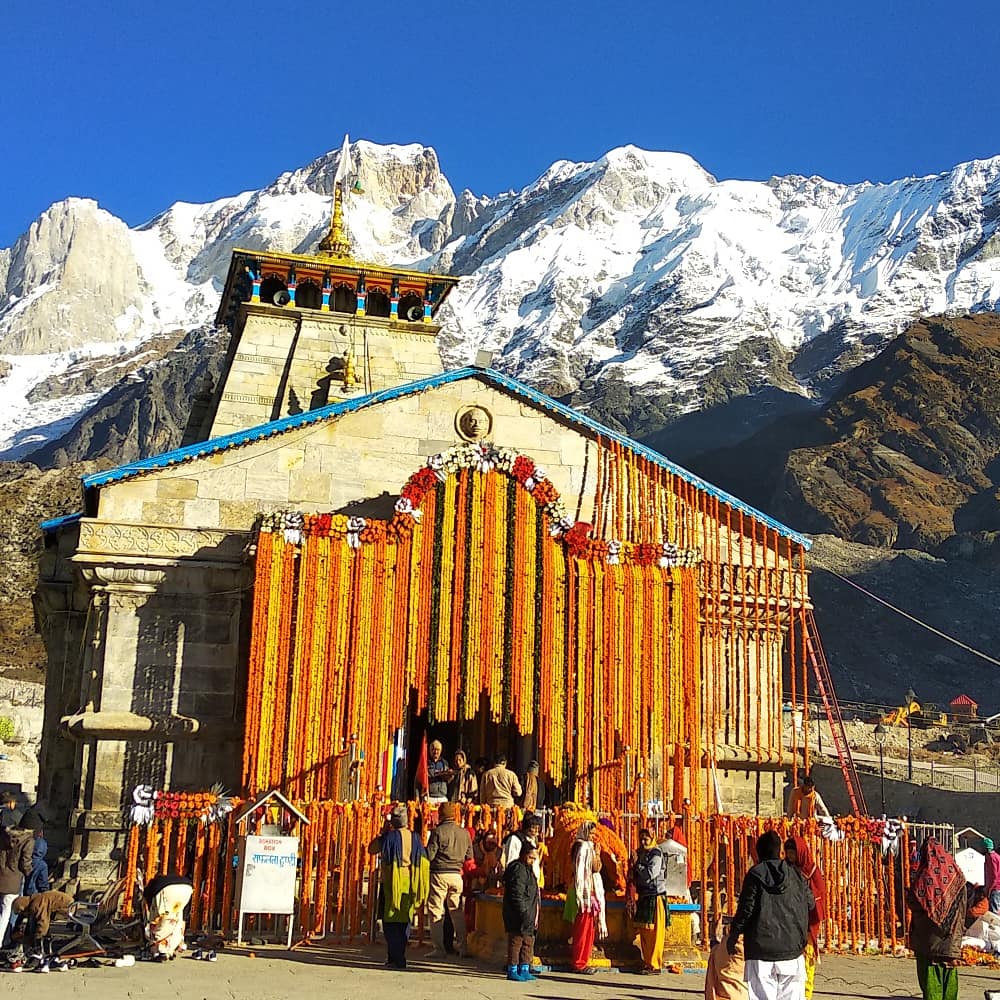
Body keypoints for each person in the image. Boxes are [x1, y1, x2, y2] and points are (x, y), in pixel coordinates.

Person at [726, 830, 811, 1000]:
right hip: (792, 952)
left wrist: (733, 936)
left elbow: (746, 910)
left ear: (758, 853)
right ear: (779, 851)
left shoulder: (755, 874)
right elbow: (810, 903)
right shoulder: (796, 875)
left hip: (760, 953)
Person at [368, 804, 430, 969]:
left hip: (390, 882)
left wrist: (383, 832)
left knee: (390, 922)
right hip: (409, 881)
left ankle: (396, 958)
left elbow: (371, 849)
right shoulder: (415, 837)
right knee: (404, 921)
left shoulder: (389, 837)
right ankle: (397, 956)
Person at [907, 837, 964, 1000]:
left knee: (931, 980)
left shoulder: (924, 878)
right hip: (951, 939)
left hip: (929, 942)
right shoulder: (958, 875)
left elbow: (914, 902)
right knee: (949, 976)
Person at [425, 802, 472, 958]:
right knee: (456, 912)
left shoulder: (438, 832)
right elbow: (469, 857)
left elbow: (430, 855)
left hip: (439, 874)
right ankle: (463, 947)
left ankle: (439, 949)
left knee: (436, 911)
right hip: (457, 875)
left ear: (441, 814)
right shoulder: (464, 833)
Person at [784, 836, 826, 1000]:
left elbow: (820, 894)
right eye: (788, 853)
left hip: (806, 923)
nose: (790, 856)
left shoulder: (812, 870)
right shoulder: (785, 868)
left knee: (807, 960)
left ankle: (806, 995)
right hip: (789, 922)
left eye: (793, 853)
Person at [563, 821, 606, 974]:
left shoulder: (583, 846)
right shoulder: (583, 847)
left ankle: (583, 960)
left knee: (588, 930)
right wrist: (597, 855)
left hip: (586, 893)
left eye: (595, 834)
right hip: (584, 893)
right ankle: (579, 963)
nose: (593, 836)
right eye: (591, 833)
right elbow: (593, 868)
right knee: (583, 930)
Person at [627, 828, 667, 974]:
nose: (643, 842)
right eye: (641, 839)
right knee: (645, 933)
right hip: (644, 896)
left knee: (654, 933)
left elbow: (651, 874)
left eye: (646, 839)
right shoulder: (642, 852)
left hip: (655, 896)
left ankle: (655, 965)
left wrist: (638, 865)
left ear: (652, 838)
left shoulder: (656, 854)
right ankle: (647, 961)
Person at [503, 838, 541, 982]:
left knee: (528, 941)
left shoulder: (528, 869)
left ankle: (524, 967)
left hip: (529, 913)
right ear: (524, 855)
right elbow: (517, 894)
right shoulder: (518, 870)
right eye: (531, 857)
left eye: (534, 858)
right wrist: (524, 912)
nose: (532, 860)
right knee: (516, 941)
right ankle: (512, 968)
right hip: (519, 913)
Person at [143, 874, 194, 960]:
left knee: (160, 920)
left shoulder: (151, 887)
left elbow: (152, 913)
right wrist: (182, 936)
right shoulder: (158, 881)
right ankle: (172, 947)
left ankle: (160, 949)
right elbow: (183, 918)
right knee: (177, 917)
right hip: (187, 888)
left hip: (166, 889)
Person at [0, 825, 33, 949]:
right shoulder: (27, 840)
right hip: (13, 879)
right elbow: (25, 862)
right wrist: (29, 872)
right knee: (7, 912)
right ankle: (3, 941)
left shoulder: (3, 836)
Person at [983, 836, 1000, 914]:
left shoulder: (991, 858)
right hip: (995, 888)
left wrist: (989, 889)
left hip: (995, 888)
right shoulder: (996, 856)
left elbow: (994, 876)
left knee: (994, 913)